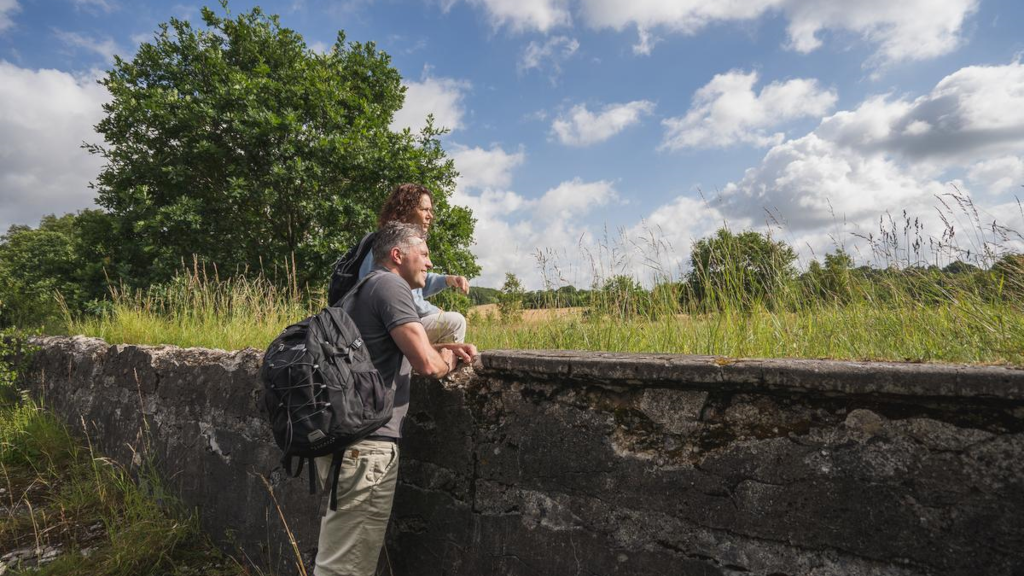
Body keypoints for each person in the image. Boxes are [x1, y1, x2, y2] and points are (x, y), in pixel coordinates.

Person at [314, 222, 478, 576]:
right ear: (397, 255)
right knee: (346, 567)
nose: (430, 263)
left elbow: (382, 352)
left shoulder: (361, 290)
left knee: (337, 554)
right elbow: (428, 366)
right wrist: (450, 357)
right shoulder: (391, 286)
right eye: (424, 253)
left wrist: (438, 347)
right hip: (368, 448)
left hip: (344, 440)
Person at [358, 183, 470, 343]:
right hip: (384, 328)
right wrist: (438, 313)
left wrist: (447, 280)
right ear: (407, 210)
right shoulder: (390, 243)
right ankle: (445, 367)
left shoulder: (394, 238)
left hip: (389, 324)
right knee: (455, 322)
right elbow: (405, 300)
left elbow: (414, 283)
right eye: (425, 210)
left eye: (431, 210)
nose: (430, 215)